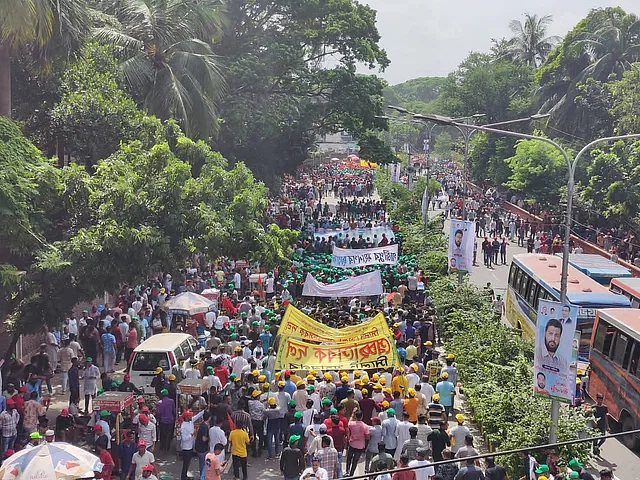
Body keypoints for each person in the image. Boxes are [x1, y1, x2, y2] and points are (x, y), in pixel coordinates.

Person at [346, 410, 369, 476]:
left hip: (352, 443)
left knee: (349, 458)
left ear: (355, 416)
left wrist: (352, 414)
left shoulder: (351, 424)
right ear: (362, 416)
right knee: (355, 460)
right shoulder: (365, 426)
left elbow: (349, 422)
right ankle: (351, 474)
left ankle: (347, 470)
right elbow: (367, 437)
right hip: (360, 446)